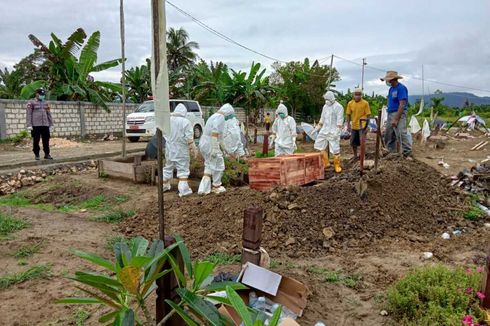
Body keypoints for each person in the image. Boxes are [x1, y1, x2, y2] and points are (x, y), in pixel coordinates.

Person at [198, 103, 235, 195]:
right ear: (228, 113)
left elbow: (220, 138)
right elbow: (215, 134)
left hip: (205, 143)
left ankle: (203, 189)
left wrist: (227, 150)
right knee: (219, 165)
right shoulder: (221, 117)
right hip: (210, 143)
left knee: (209, 165)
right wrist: (215, 149)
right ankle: (216, 186)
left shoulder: (214, 116)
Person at [162, 103, 198, 197]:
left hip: (169, 149)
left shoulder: (168, 120)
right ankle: (183, 190)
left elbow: (164, 134)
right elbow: (189, 138)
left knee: (168, 167)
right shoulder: (185, 122)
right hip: (181, 150)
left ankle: (164, 186)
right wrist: (193, 148)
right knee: (183, 169)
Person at [381, 71, 412, 157]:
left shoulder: (401, 88)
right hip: (390, 113)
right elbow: (389, 100)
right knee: (389, 134)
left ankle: (407, 153)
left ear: (392, 79)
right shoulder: (391, 89)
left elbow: (402, 104)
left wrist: (396, 119)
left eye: (388, 80)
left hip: (399, 113)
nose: (387, 82)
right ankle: (391, 152)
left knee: (401, 133)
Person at [314, 91, 344, 173]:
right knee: (319, 145)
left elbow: (340, 122)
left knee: (335, 149)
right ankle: (326, 163)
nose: (326, 101)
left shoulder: (339, 107)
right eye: (325, 99)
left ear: (331, 98)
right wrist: (317, 128)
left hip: (334, 131)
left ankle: (337, 165)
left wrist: (337, 132)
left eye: (327, 99)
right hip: (324, 129)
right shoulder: (325, 106)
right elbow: (322, 119)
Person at [26, 88, 53, 160]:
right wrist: (29, 125)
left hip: (45, 124)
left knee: (46, 140)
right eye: (41, 94)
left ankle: (47, 154)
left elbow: (49, 114)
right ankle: (37, 154)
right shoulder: (31, 102)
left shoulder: (46, 103)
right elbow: (29, 114)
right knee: (36, 140)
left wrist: (51, 124)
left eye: (43, 95)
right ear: (37, 94)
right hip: (35, 125)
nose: (42, 96)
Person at [346, 88, 371, 159]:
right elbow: (348, 114)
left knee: (362, 141)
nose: (357, 96)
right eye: (356, 94)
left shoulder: (365, 103)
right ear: (353, 95)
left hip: (362, 125)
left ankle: (362, 156)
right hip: (354, 125)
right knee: (353, 142)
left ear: (361, 95)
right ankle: (355, 155)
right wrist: (348, 125)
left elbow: (368, 115)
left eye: (359, 94)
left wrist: (367, 126)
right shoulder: (350, 103)